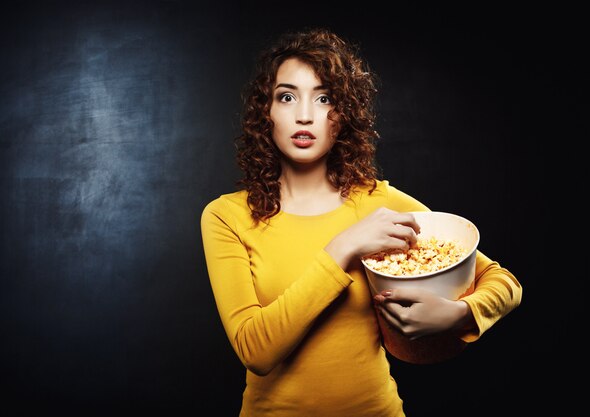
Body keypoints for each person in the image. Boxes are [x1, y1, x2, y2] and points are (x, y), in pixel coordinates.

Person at [200, 27, 522, 417]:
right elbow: (256, 351)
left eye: (324, 99)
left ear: (343, 115)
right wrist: (343, 247)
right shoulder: (226, 216)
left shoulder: (380, 203)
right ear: (265, 112)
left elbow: (504, 282)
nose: (304, 115)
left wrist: (458, 315)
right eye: (287, 97)